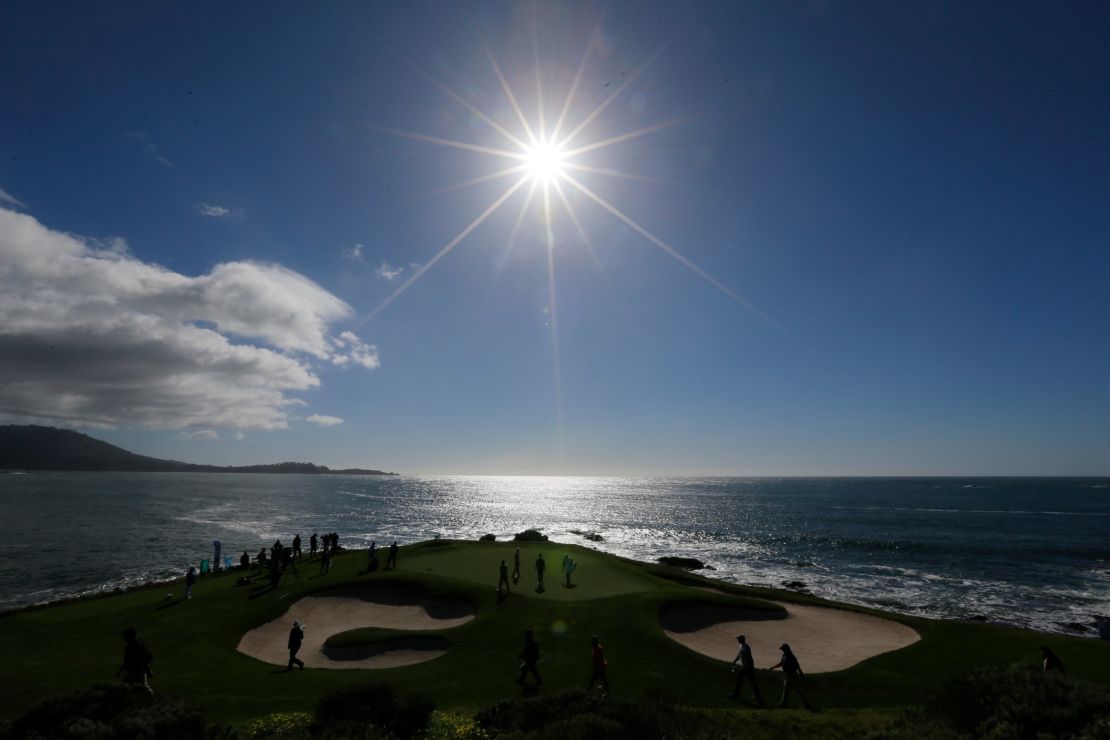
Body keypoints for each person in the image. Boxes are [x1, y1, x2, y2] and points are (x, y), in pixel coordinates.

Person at [770, 643, 812, 709]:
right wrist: (773, 667)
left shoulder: (791, 656)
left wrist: (802, 676)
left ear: (786, 649)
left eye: (783, 649)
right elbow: (781, 663)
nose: (782, 650)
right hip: (788, 675)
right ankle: (784, 704)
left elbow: (798, 667)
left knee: (795, 690)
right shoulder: (784, 655)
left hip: (792, 675)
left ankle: (806, 703)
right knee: (787, 688)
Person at [117, 627, 154, 697]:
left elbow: (129, 660)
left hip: (136, 670)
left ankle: (152, 699)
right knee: (142, 686)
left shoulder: (133, 646)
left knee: (142, 686)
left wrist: (119, 671)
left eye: (126, 636)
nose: (124, 638)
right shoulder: (138, 643)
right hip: (135, 670)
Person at [729, 635, 765, 706]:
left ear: (742, 640)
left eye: (739, 639)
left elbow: (748, 658)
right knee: (749, 681)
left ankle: (736, 695)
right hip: (745, 666)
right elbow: (739, 654)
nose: (738, 640)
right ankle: (756, 696)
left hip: (747, 667)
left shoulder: (746, 647)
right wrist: (735, 661)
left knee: (748, 681)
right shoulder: (741, 646)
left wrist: (748, 667)